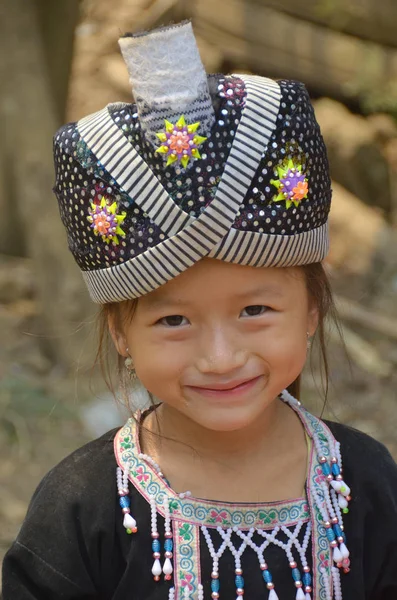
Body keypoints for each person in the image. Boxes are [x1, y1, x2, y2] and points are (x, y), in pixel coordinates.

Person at [2, 20, 397, 600]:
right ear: (120, 332)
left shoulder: (363, 482)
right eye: (174, 321)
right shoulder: (82, 505)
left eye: (255, 309)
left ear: (312, 310)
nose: (220, 357)